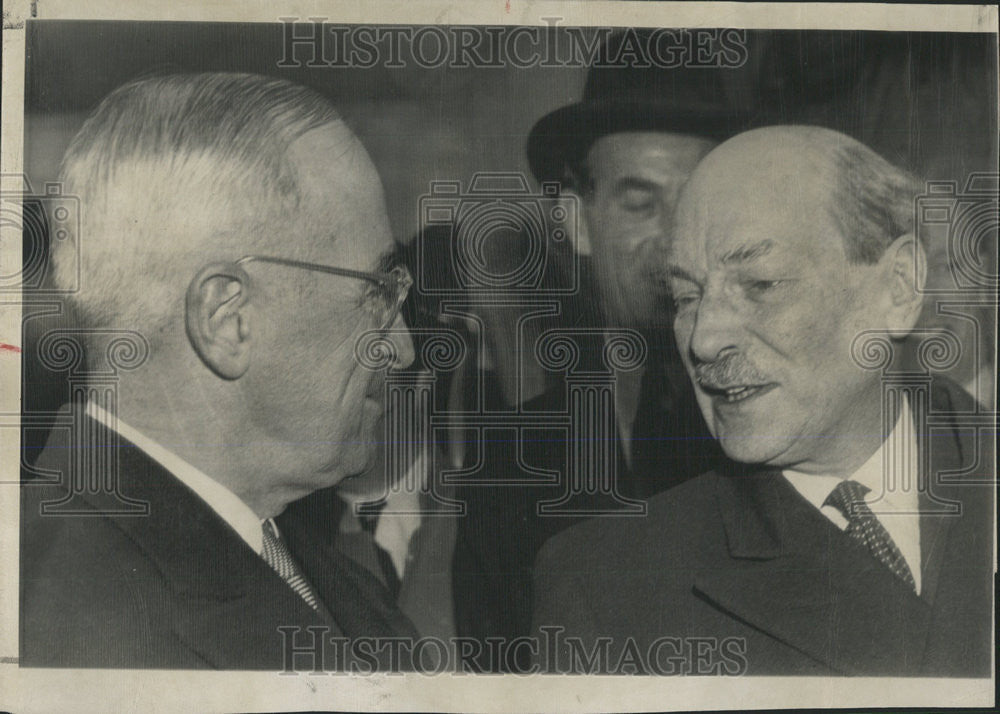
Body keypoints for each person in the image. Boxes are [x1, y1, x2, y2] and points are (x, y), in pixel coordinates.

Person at [532, 126, 994, 676]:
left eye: (760, 284)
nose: (703, 340)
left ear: (896, 289)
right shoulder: (606, 585)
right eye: (686, 296)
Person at [20, 72, 419, 670]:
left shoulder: (331, 580)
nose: (404, 347)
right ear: (227, 319)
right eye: (377, 292)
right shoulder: (62, 625)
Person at [451, 29, 738, 670]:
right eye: (640, 204)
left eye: (697, 204)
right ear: (576, 222)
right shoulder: (512, 454)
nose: (672, 241)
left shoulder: (785, 424)